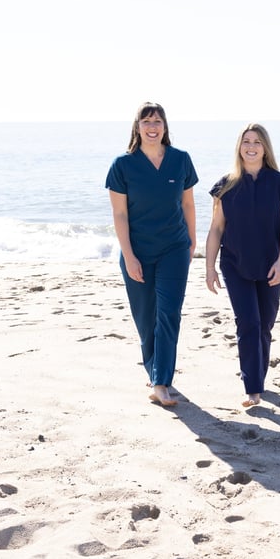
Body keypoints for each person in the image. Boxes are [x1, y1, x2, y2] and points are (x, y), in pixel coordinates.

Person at [106, 102, 198, 407]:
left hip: (174, 248)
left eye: (157, 121)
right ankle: (155, 369)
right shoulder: (123, 165)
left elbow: (187, 205)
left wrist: (192, 240)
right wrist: (129, 256)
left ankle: (161, 382)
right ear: (137, 127)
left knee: (169, 314)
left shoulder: (180, 160)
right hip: (138, 251)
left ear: (165, 126)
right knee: (146, 319)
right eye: (146, 121)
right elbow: (120, 215)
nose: (152, 126)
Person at [205, 124, 280, 407]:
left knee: (265, 325)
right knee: (249, 323)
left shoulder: (279, 182)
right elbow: (216, 229)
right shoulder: (225, 185)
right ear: (239, 147)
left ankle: (258, 377)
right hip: (235, 263)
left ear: (265, 147)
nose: (251, 146)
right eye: (246, 141)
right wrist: (210, 267)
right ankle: (252, 388)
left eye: (257, 142)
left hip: (272, 263)